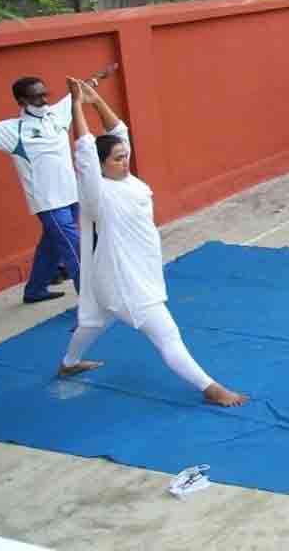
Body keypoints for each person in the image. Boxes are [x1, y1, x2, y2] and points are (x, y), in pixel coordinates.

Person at [57, 77, 247, 407]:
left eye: (124, 155)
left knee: (94, 322)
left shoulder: (126, 179)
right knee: (167, 335)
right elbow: (86, 149)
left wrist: (95, 98)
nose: (124, 159)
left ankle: (68, 364)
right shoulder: (96, 192)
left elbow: (119, 130)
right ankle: (210, 387)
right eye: (117, 158)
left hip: (126, 272)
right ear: (100, 166)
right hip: (123, 278)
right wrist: (76, 105)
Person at [0, 63, 115, 303]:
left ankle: (35, 290)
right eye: (35, 97)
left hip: (72, 196)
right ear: (21, 101)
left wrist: (101, 75)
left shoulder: (57, 113)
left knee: (51, 246)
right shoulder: (13, 130)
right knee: (75, 250)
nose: (42, 100)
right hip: (49, 204)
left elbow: (79, 91)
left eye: (44, 94)